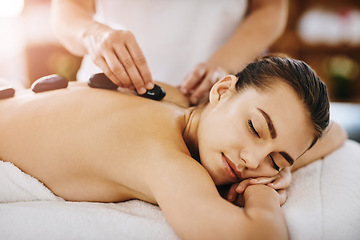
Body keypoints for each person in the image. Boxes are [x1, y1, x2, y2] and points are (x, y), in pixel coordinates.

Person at [0, 57, 346, 239]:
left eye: (275, 160)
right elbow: (258, 236)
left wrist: (281, 169)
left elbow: (336, 133)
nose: (251, 162)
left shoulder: (172, 97)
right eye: (255, 128)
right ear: (222, 90)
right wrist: (264, 193)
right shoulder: (163, 157)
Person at [51, 0, 289, 104]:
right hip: (107, 92)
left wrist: (223, 64)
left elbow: (271, 8)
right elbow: (67, 8)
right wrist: (93, 34)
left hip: (205, 98)